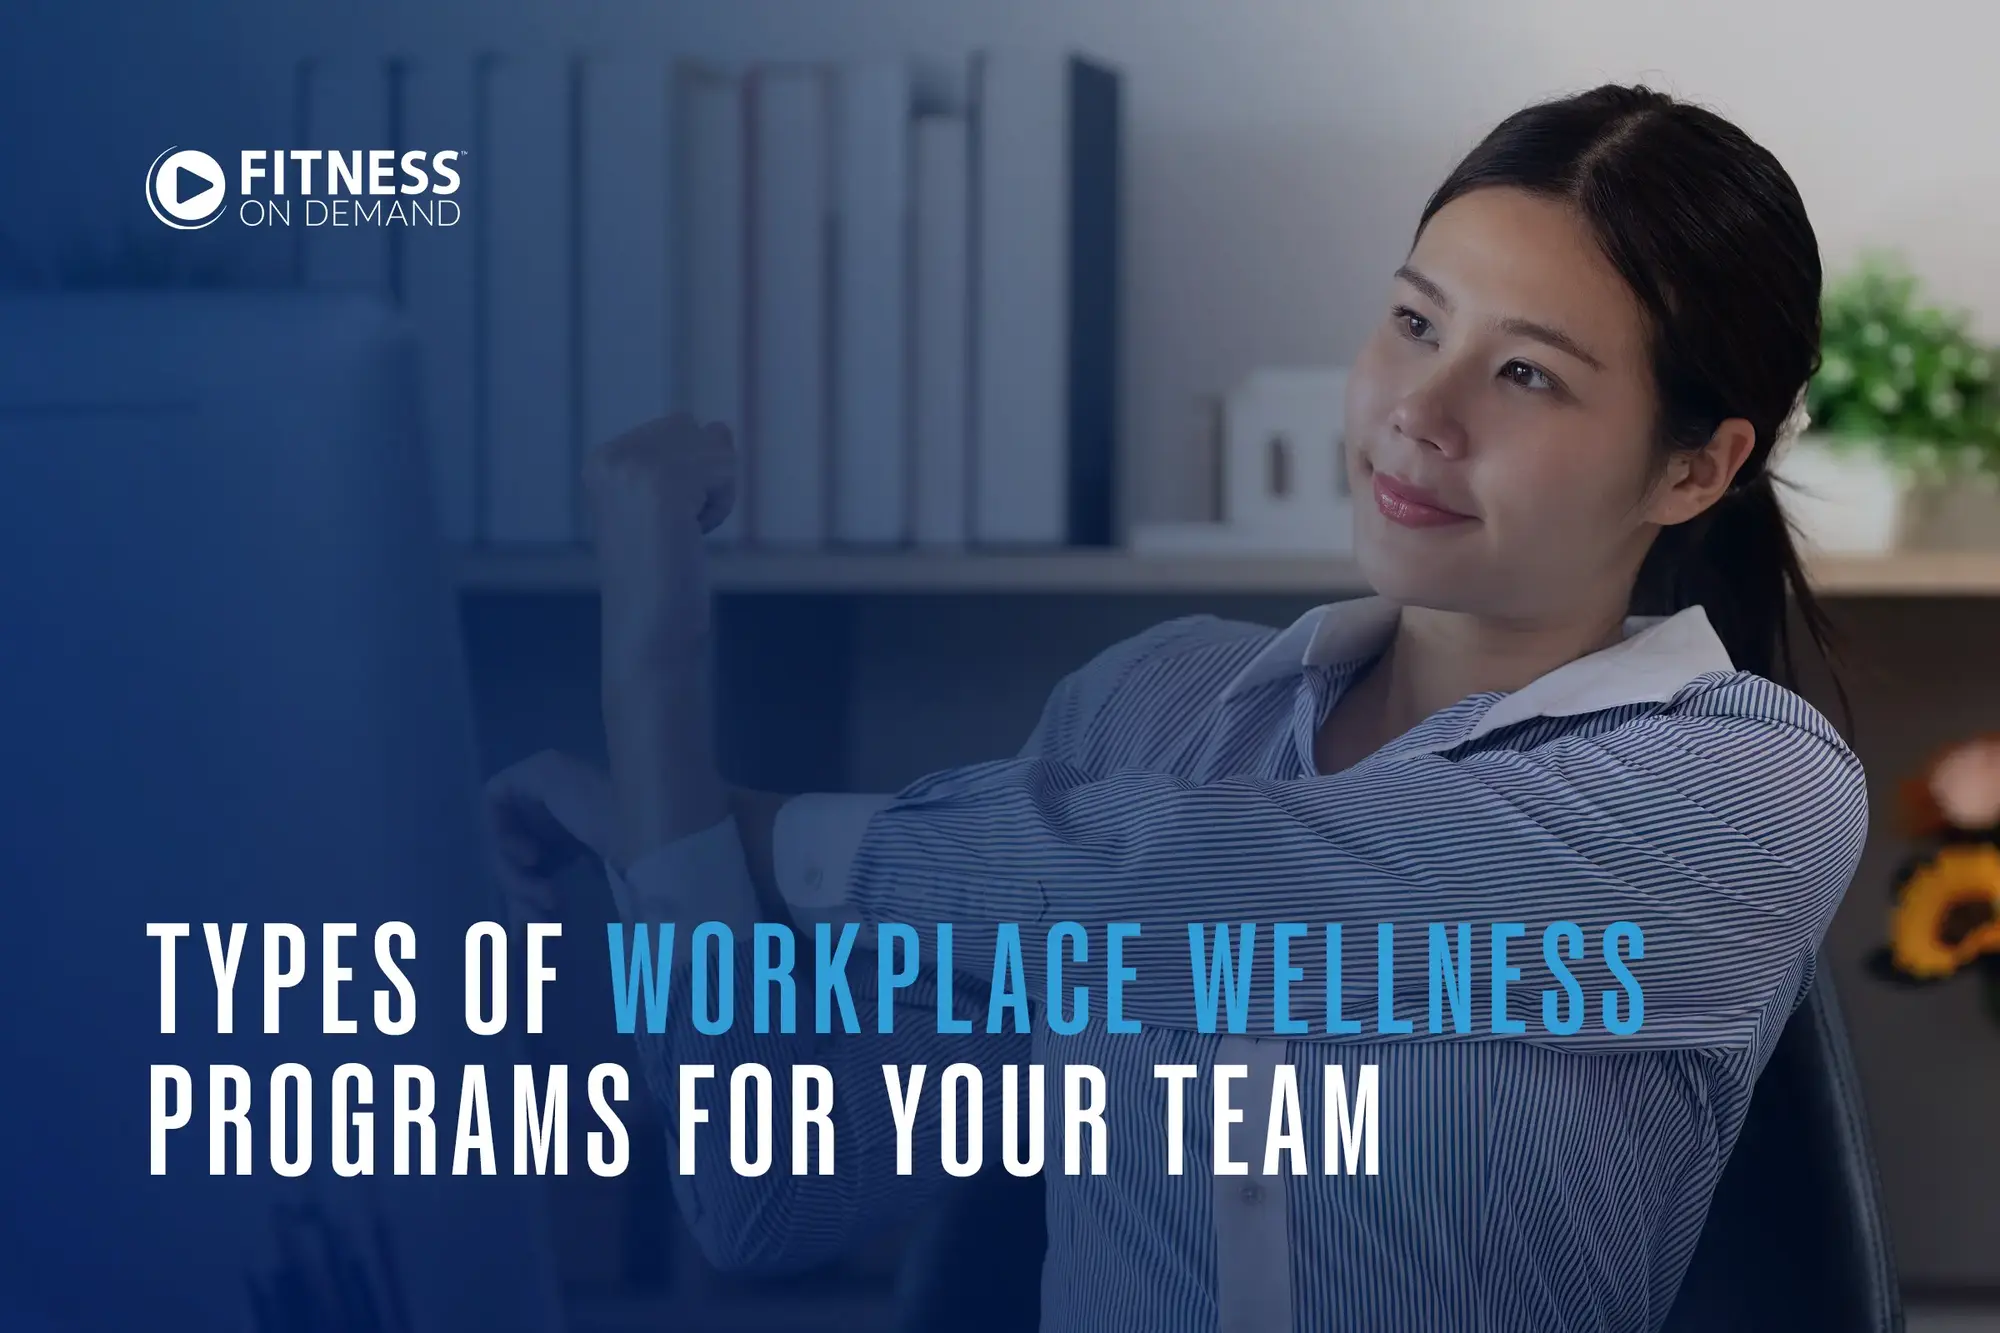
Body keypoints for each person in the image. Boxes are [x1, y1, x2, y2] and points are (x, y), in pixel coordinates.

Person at [489, 83, 1869, 1331]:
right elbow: (768, 1196)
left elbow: (1244, 892)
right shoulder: (1149, 707)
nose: (1420, 415)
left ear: (1696, 468)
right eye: (1414, 323)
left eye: (1526, 374)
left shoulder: (1745, 788)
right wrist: (653, 667)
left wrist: (754, 833)